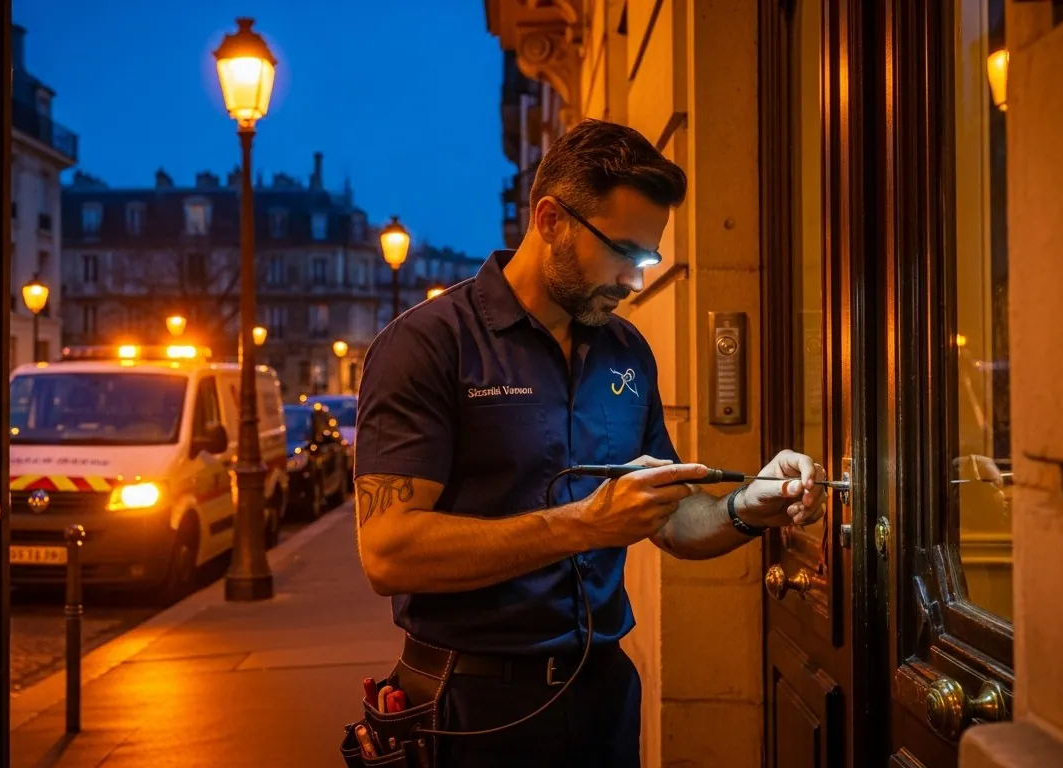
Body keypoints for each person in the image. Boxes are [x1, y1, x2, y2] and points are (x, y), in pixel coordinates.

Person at [352, 118, 828, 767]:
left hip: (604, 694)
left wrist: (749, 506)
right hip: (470, 706)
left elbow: (670, 516)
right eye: (624, 253)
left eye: (647, 259)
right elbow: (388, 552)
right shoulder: (428, 344)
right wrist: (585, 525)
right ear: (551, 220)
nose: (636, 283)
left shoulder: (624, 349)